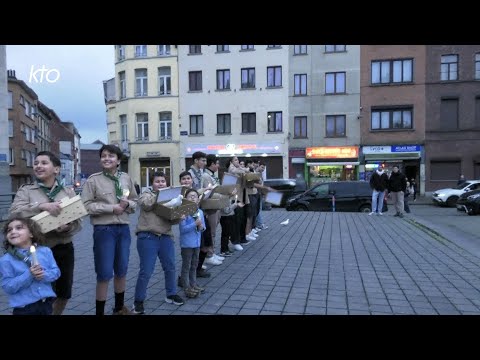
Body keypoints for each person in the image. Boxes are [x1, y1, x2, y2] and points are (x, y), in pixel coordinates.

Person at [9, 151, 81, 315]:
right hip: (37, 250)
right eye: (36, 163)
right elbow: (14, 213)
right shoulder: (26, 191)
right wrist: (41, 206)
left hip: (63, 248)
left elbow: (78, 221)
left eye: (43, 163)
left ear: (56, 169)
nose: (38, 166)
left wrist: (68, 227)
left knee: (63, 293)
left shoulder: (68, 192)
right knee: (39, 294)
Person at [81, 144, 138, 316]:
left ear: (118, 160)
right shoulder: (93, 180)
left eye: (111, 156)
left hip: (123, 229)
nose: (106, 158)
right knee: (104, 273)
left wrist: (128, 204)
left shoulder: (126, 178)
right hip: (104, 230)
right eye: (104, 156)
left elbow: (135, 201)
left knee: (122, 270)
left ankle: (119, 309)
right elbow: (85, 206)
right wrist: (111, 208)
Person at [132, 172, 184, 314]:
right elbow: (147, 205)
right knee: (146, 271)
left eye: (163, 181)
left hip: (166, 236)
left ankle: (171, 294)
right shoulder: (146, 194)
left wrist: (180, 213)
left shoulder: (171, 197)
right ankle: (138, 300)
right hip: (147, 236)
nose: (161, 183)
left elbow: (172, 220)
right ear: (152, 184)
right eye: (157, 181)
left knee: (170, 267)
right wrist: (165, 197)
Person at [0, 217, 60, 315]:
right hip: (24, 308)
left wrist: (43, 274)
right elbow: (8, 287)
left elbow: (56, 273)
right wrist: (29, 275)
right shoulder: (6, 260)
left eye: (19, 228)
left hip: (46, 303)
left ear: (31, 234)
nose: (12, 231)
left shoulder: (45, 251)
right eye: (9, 230)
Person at [179, 189, 206, 299]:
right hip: (187, 244)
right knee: (186, 266)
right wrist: (194, 224)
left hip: (197, 243)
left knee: (194, 265)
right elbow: (182, 230)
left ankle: (193, 284)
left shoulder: (200, 212)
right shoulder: (183, 212)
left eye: (195, 196)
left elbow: (203, 227)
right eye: (190, 196)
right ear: (185, 199)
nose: (193, 198)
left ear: (198, 199)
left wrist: (201, 227)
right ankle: (186, 287)